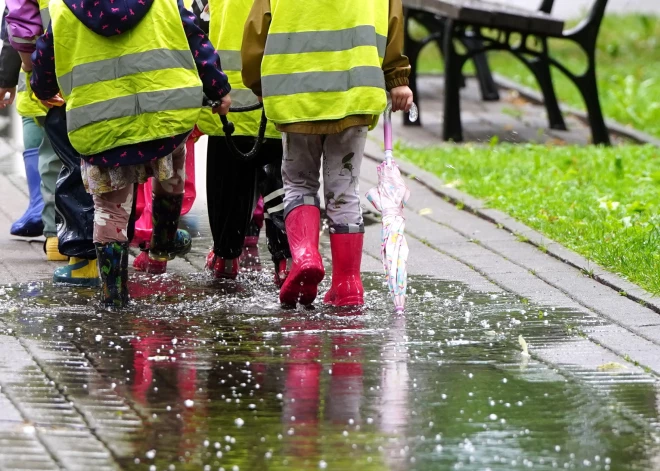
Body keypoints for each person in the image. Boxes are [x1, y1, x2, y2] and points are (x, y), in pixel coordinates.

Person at [31, 0, 231, 307]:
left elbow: (44, 60)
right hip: (162, 114)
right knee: (172, 169)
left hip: (102, 124)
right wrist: (218, 89)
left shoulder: (62, 9)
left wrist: (44, 91)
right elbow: (196, 42)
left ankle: (115, 296)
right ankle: (163, 241)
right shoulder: (166, 2)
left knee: (110, 210)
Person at [242, 0, 413, 307]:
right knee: (345, 190)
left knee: (298, 181)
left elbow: (258, 26)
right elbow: (393, 22)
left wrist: (257, 80)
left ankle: (306, 257)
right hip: (355, 91)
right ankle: (348, 285)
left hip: (295, 93)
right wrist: (398, 78)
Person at [194, 0, 292, 285]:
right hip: (279, 92)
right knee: (283, 182)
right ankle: (284, 261)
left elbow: (196, 22)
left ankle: (225, 257)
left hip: (228, 96)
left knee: (227, 184)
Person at [6, 0, 99, 286]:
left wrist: (28, 67)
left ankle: (58, 239)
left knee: (56, 162)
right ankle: (104, 246)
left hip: (53, 75)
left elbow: (20, 25)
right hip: (98, 73)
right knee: (98, 161)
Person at [0, 5, 66, 262]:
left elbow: (17, 25)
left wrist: (21, 69)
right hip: (97, 71)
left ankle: (55, 234)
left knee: (51, 156)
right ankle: (104, 235)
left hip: (45, 71)